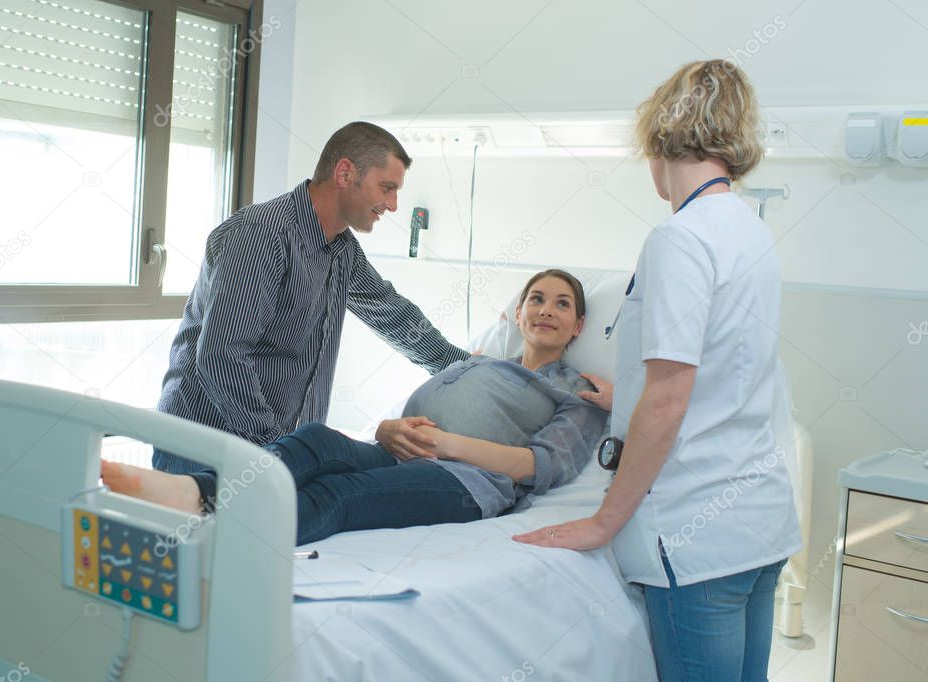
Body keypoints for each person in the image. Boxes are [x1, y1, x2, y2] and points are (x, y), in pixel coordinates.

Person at [515, 60, 801, 682]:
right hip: (760, 524)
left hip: (696, 538)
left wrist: (602, 522)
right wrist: (629, 396)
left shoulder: (680, 238)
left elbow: (670, 399)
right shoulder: (752, 232)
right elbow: (727, 367)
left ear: (658, 140)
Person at [103, 270, 608, 545]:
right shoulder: (475, 361)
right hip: (398, 452)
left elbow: (542, 466)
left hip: (465, 483)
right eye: (537, 298)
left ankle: (212, 536)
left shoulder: (577, 390)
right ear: (516, 314)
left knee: (339, 495)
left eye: (562, 304)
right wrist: (389, 428)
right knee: (315, 440)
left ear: (578, 325)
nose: (546, 309)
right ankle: (194, 492)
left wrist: (445, 444)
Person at [153, 121, 469, 482]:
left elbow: (391, 312)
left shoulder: (341, 249)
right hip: (203, 448)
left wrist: (458, 367)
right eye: (387, 188)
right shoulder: (262, 236)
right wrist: (277, 451)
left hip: (262, 451)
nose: (393, 205)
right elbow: (222, 355)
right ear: (345, 173)